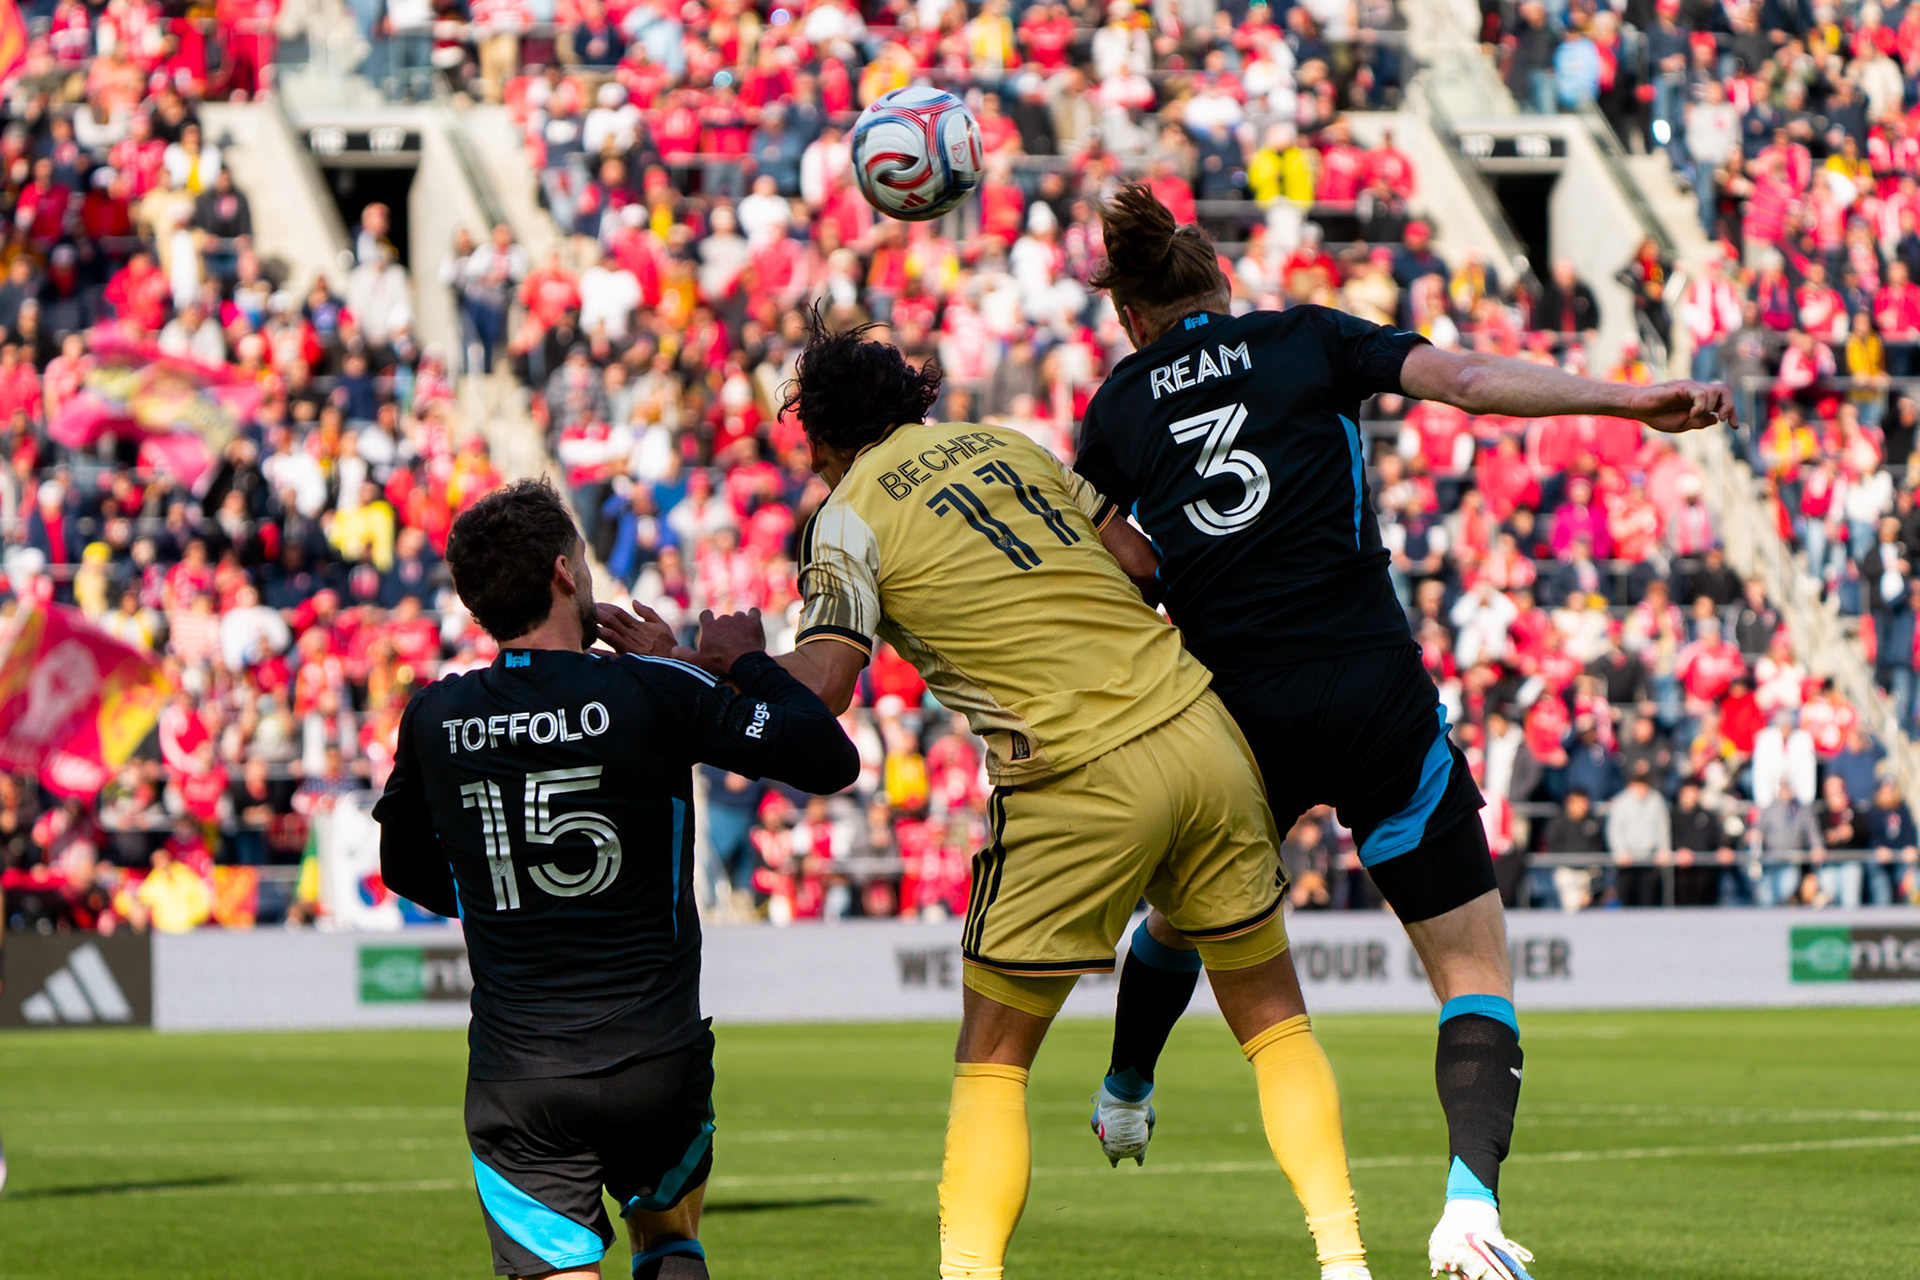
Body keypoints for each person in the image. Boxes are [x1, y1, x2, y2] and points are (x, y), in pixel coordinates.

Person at [1069, 184, 1736, 1280]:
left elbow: (1088, 530)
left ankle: (1128, 1087)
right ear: (1220, 288)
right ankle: (1468, 1213)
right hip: (1370, 682)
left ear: (1133, 316)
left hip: (1238, 704)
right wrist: (1628, 400)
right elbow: (1466, 382)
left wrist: (1163, 576)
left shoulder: (1121, 401)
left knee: (1185, 915)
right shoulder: (1307, 337)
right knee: (1471, 968)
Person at [687, 312, 1373, 1280]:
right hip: (1195, 723)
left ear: (825, 439)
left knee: (994, 1055)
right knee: (1272, 1017)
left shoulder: (845, 516)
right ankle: (1344, 1255)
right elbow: (1140, 562)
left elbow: (829, 684)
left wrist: (740, 659)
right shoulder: (1013, 443)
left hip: (1073, 769)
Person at [372, 479, 858, 1280]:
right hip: (654, 1059)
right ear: (565, 573)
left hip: (522, 1071)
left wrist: (505, 904)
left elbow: (402, 863)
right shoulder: (649, 688)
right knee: (669, 1241)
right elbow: (828, 756)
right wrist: (737, 663)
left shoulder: (435, 715)